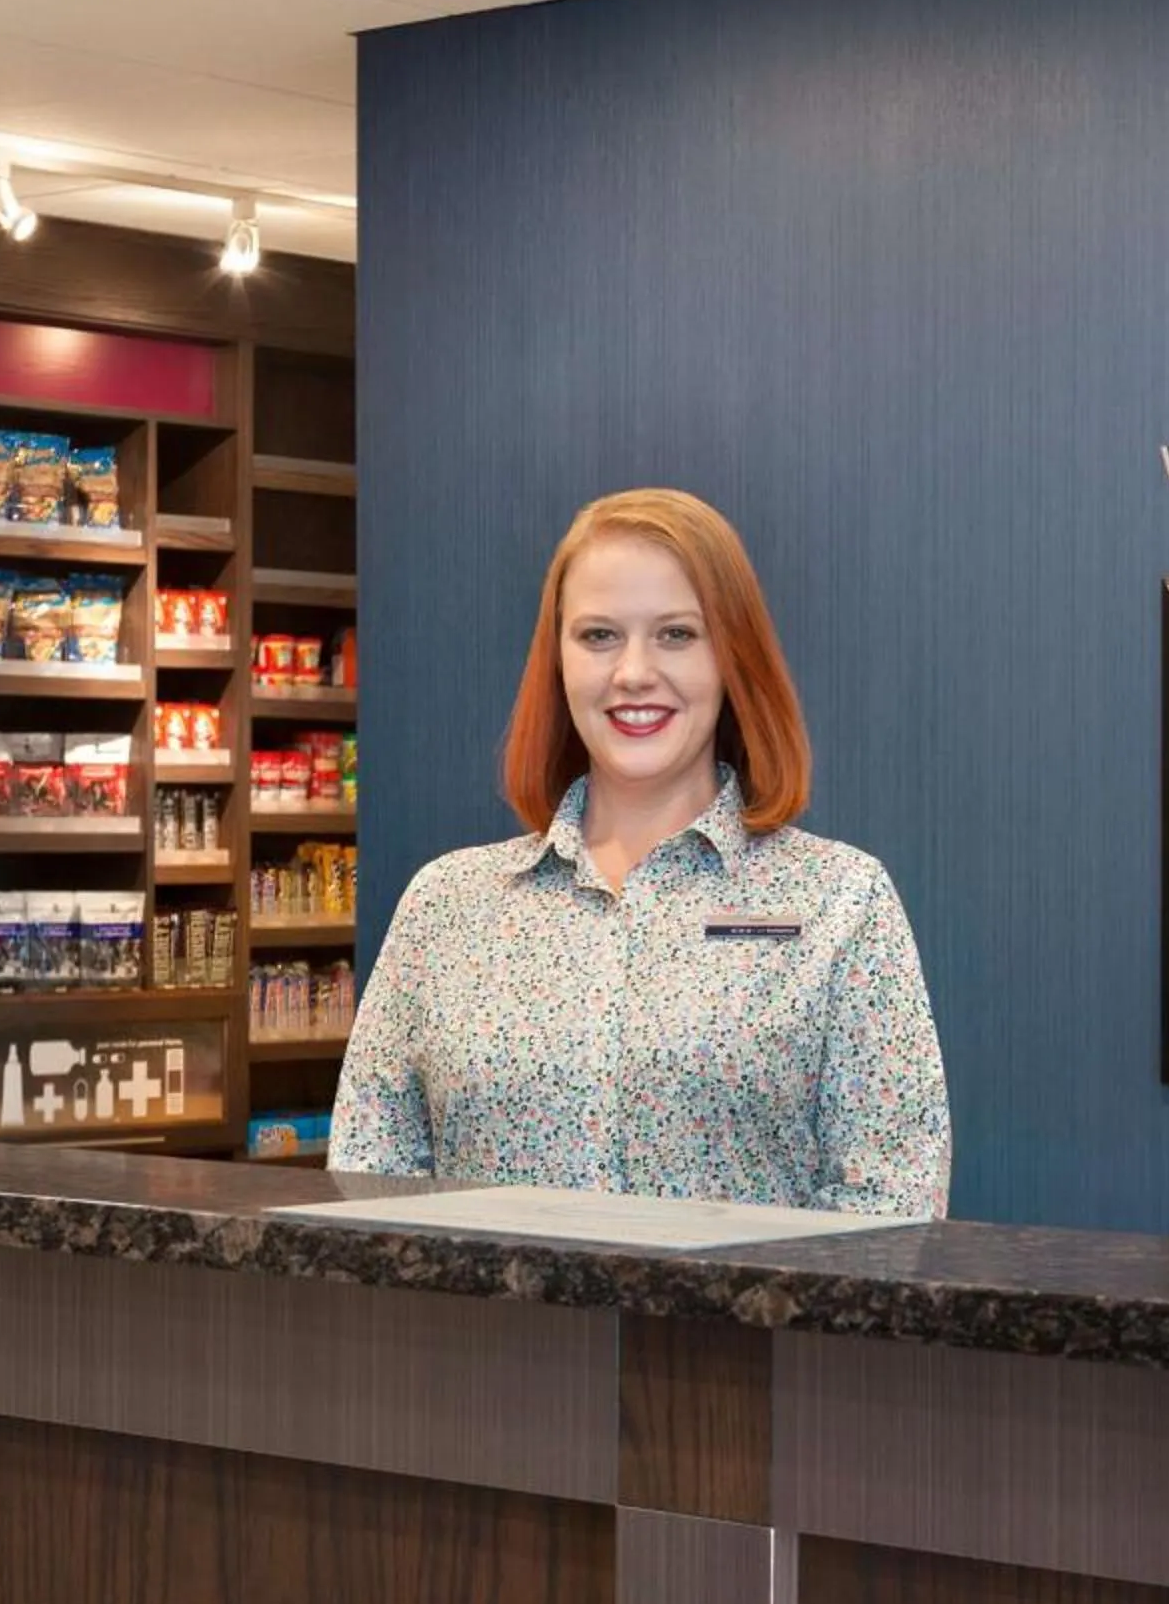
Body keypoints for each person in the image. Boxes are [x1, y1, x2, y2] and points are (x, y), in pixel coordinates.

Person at [329, 488, 951, 1217]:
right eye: (598, 636)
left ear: (732, 655)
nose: (632, 673)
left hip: (742, 1336)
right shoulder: (447, 905)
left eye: (677, 634)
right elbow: (372, 1181)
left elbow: (892, 1199)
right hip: (487, 1336)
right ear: (557, 661)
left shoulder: (840, 899)